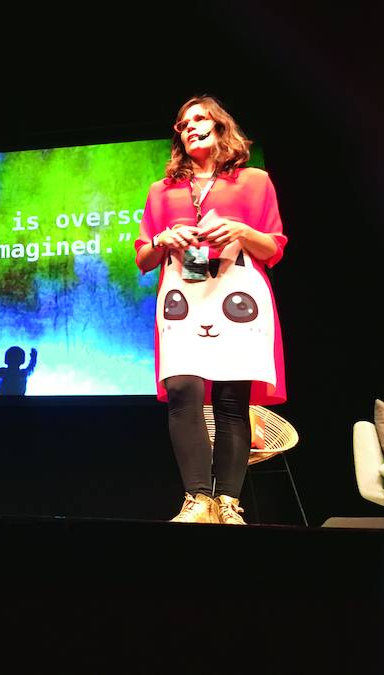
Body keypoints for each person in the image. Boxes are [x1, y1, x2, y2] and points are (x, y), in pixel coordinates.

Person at [134, 95, 287, 525]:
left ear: (220, 126)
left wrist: (240, 229)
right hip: (182, 293)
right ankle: (197, 500)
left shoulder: (254, 181)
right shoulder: (161, 191)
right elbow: (143, 258)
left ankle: (228, 503)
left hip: (237, 293)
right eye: (182, 123)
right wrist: (163, 240)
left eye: (199, 118)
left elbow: (273, 247)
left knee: (232, 400)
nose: (190, 127)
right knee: (183, 389)